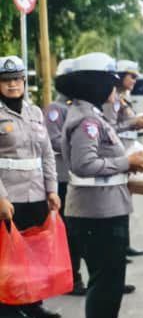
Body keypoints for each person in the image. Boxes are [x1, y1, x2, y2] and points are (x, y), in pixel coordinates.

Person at [58, 53, 143, 318]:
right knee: (104, 284)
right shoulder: (86, 121)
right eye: (110, 83)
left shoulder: (94, 115)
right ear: (95, 85)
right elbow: (85, 164)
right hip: (95, 213)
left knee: (110, 283)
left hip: (105, 208)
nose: (116, 88)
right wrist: (127, 162)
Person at [0, 56, 63, 318]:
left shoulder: (35, 112)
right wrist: (1, 198)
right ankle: (7, 309)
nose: (12, 85)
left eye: (17, 79)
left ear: (24, 81)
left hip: (36, 192)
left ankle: (32, 303)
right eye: (6, 80)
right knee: (9, 255)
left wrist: (52, 189)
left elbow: (47, 154)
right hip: (9, 195)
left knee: (35, 251)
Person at [101, 59, 143, 260]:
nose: (134, 80)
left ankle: (124, 244)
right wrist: (133, 123)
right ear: (121, 76)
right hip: (118, 154)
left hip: (127, 150)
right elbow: (109, 128)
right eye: (132, 76)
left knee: (125, 201)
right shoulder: (112, 99)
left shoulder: (122, 98)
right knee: (119, 201)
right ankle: (118, 247)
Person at [43, 59, 85, 296]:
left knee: (77, 231)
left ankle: (76, 276)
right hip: (61, 178)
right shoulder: (55, 109)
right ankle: (72, 279)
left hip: (76, 178)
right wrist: (79, 146)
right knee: (67, 232)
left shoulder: (79, 107)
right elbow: (53, 140)